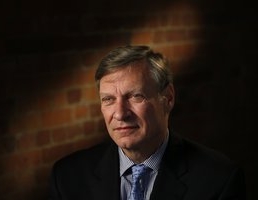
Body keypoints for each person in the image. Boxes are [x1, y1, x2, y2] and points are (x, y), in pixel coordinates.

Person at [49, 45, 246, 200]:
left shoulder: (218, 179)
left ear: (167, 98)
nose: (119, 114)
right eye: (108, 99)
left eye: (135, 96)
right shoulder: (68, 177)